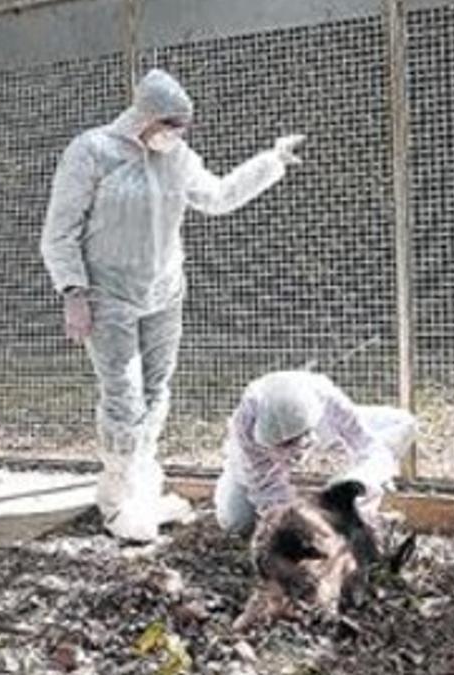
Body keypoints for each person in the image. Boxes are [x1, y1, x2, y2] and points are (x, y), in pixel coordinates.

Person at [41, 68, 307, 542]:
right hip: (107, 294)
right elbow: (59, 230)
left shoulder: (177, 157)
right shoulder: (92, 151)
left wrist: (271, 162)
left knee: (157, 391)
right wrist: (73, 292)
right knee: (123, 394)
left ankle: (142, 485)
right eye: (172, 124)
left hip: (164, 292)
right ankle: (118, 497)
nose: (179, 134)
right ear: (145, 116)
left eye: (184, 126)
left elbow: (219, 196)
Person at [213, 371, 416, 536]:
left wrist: (355, 488)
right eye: (281, 444)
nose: (290, 449)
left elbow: (369, 446)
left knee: (403, 424)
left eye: (292, 441)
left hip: (325, 426)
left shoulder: (327, 399)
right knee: (236, 521)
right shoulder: (245, 424)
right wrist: (298, 525)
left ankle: (347, 498)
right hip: (253, 463)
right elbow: (267, 488)